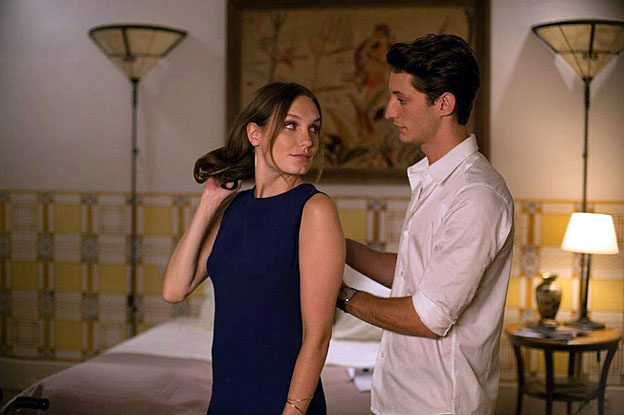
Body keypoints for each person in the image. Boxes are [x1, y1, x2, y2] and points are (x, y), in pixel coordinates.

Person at [336, 34, 514, 414]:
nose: (389, 112)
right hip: (398, 398)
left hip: (436, 405)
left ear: (444, 103)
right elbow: (411, 273)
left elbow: (427, 317)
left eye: (402, 99)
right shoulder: (434, 180)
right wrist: (336, 246)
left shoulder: (476, 196)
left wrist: (340, 296)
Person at [162, 82, 345, 415]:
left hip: (284, 405)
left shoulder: (315, 209)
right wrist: (209, 202)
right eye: (291, 125)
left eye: (314, 129)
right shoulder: (231, 209)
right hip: (226, 401)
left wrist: (292, 412)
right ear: (254, 133)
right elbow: (174, 289)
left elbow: (317, 336)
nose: (307, 141)